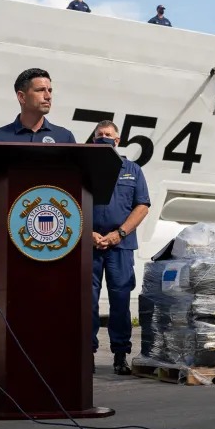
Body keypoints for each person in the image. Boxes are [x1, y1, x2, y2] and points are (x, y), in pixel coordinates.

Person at [0, 68, 77, 409]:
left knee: (49, 312)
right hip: (3, 246)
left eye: (51, 90)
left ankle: (52, 383)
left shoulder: (66, 138)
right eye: (41, 90)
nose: (48, 95)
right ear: (21, 95)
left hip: (49, 246)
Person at [89, 120, 150, 376]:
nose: (104, 138)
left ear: (117, 140)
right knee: (86, 302)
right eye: (99, 135)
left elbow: (142, 206)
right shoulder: (85, 169)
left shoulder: (132, 170)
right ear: (93, 141)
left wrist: (119, 234)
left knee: (120, 300)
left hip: (121, 247)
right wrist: (87, 233)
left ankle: (120, 355)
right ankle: (85, 354)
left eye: (108, 135)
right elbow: (70, 203)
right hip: (88, 246)